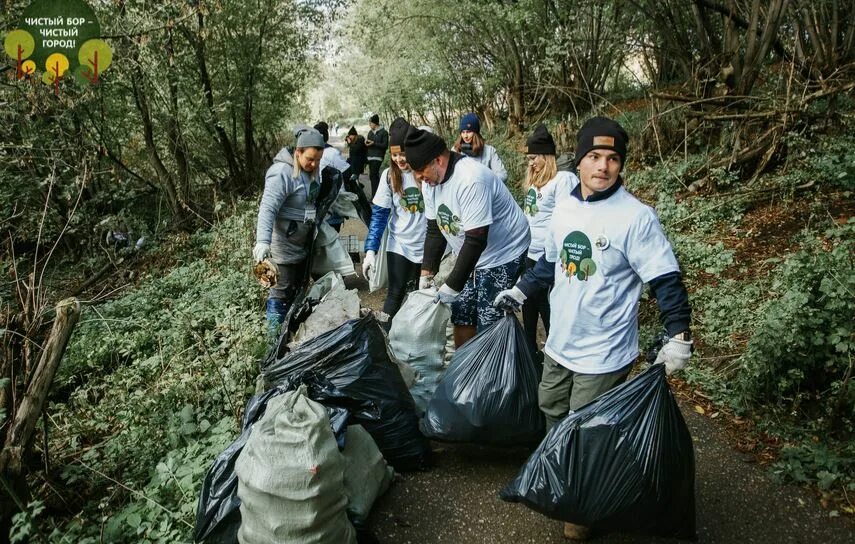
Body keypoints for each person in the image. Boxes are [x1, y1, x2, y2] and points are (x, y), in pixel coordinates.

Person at [493, 117, 692, 541]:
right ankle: (561, 479)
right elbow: (548, 262)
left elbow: (665, 279)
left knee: (586, 429)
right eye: (594, 157)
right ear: (579, 162)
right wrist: (522, 291)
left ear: (621, 165)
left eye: (613, 159)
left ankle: (583, 506)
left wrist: (678, 334)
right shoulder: (563, 206)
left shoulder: (636, 217)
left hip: (604, 350)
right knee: (551, 411)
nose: (603, 166)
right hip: (560, 341)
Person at [405, 127, 530, 348]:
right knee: (461, 313)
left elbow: (476, 239)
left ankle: (494, 376)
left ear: (438, 161)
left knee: (490, 319)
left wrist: (451, 286)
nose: (418, 177)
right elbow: (435, 230)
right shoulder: (429, 182)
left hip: (503, 251)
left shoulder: (471, 179)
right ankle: (464, 370)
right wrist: (426, 274)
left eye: (421, 170)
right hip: (471, 251)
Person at [253, 126, 326, 337]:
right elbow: (268, 208)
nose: (314, 164)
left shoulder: (312, 171)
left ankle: (291, 337)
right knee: (280, 294)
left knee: (297, 291)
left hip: (302, 244)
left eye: (318, 160)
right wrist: (262, 241)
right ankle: (273, 344)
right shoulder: (281, 173)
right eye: (310, 159)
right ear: (298, 152)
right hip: (282, 248)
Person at [519, 123, 576, 368]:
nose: (530, 163)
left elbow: (566, 218)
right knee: (528, 305)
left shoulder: (563, 180)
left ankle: (556, 357)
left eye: (534, 158)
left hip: (548, 255)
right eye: (529, 158)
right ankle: (531, 355)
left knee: (547, 306)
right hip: (530, 252)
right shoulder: (535, 182)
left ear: (546, 156)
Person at [362, 118, 426, 324]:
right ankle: (385, 338)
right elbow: (379, 215)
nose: (399, 159)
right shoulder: (389, 176)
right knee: (395, 293)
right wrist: (370, 251)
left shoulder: (426, 173)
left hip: (426, 244)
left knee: (421, 295)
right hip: (399, 244)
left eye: (403, 153)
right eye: (395, 154)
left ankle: (413, 342)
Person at [314, 121, 351, 232]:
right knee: (332, 237)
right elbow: (346, 172)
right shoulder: (332, 153)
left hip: (314, 201)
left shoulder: (307, 153)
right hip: (332, 202)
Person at [452, 112, 508, 183]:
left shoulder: (489, 151)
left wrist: (485, 182)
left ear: (476, 133)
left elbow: (502, 174)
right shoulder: (456, 150)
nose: (465, 136)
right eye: (463, 132)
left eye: (469, 132)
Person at [366, 114, 389, 196]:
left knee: (373, 175)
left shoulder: (384, 132)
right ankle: (377, 195)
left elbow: (385, 145)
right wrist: (367, 143)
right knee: (373, 176)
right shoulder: (370, 132)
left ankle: (376, 196)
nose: (370, 125)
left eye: (371, 123)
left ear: (375, 123)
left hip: (378, 157)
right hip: (370, 157)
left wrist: (374, 143)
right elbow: (369, 143)